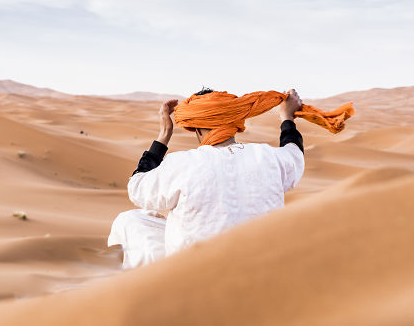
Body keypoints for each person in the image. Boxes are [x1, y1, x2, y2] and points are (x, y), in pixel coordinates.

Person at [108, 87, 352, 269]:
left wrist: (163, 135)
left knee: (130, 220)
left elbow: (137, 189)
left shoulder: (182, 164)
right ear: (235, 122)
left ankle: (127, 293)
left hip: (191, 273)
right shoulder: (269, 158)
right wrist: (287, 118)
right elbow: (294, 155)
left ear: (197, 128)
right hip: (262, 268)